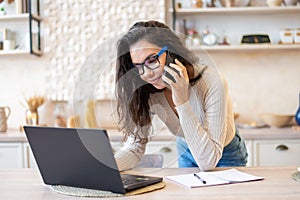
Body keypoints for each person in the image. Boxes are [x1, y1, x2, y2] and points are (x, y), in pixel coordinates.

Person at [114, 20, 248, 171]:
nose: (147, 74)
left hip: (225, 153)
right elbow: (134, 148)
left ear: (172, 52)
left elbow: (207, 161)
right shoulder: (146, 90)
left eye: (152, 60)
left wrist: (182, 101)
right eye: (138, 66)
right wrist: (106, 166)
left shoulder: (211, 81)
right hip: (186, 149)